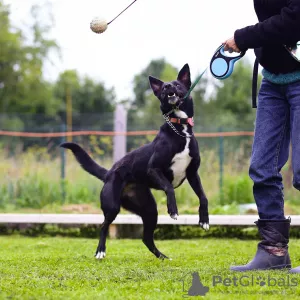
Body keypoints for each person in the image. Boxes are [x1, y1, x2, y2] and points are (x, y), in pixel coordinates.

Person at [222, 0, 300, 272]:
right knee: (262, 168)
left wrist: (242, 38)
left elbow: (293, 20)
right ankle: (274, 252)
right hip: (273, 82)